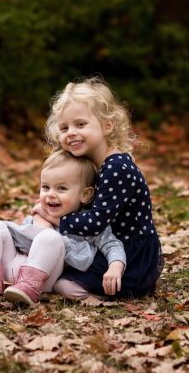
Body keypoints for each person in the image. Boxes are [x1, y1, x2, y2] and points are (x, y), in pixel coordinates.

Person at [33, 77, 163, 300]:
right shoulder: (94, 163)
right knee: (50, 263)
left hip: (128, 252)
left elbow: (95, 222)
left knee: (61, 283)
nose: (71, 132)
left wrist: (56, 219)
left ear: (107, 126)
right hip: (105, 244)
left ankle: (104, 293)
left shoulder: (116, 168)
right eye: (64, 128)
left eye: (80, 124)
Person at [0, 149, 127, 305]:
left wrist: (115, 267)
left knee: (50, 237)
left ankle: (28, 288)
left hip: (43, 280)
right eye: (45, 187)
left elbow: (112, 244)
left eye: (61, 188)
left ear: (85, 194)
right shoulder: (39, 213)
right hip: (12, 269)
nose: (51, 194)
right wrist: (34, 225)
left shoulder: (88, 224)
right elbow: (20, 240)